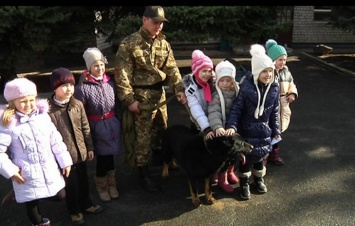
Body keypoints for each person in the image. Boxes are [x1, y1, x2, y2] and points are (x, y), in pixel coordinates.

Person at [114, 5, 187, 194]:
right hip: (141, 100)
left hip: (159, 97)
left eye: (161, 23)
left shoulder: (163, 43)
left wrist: (179, 89)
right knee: (142, 139)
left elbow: (171, 69)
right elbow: (122, 75)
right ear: (144, 19)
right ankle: (144, 174)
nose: (159, 27)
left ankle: (161, 164)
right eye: (155, 22)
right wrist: (129, 100)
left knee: (161, 133)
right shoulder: (130, 44)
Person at [0, 78, 73, 226]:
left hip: (47, 167)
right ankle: (39, 223)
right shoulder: (8, 123)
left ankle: (17, 194)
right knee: (31, 202)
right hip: (25, 172)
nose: (28, 105)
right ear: (13, 102)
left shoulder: (42, 117)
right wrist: (11, 171)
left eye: (31, 100)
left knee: (60, 195)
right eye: (23, 101)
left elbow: (55, 140)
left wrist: (64, 160)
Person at [225, 44, 281, 200]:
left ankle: (258, 179)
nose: (268, 75)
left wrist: (276, 129)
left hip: (264, 130)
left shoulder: (274, 88)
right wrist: (232, 126)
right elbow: (236, 109)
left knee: (261, 156)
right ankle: (244, 182)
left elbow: (275, 111)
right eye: (264, 71)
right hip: (247, 130)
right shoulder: (246, 88)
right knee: (246, 159)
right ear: (256, 72)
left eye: (270, 71)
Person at [48, 67, 103, 225]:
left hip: (81, 151)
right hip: (64, 157)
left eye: (71, 85)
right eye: (64, 86)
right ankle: (74, 210)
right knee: (71, 185)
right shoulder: (49, 111)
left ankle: (86, 203)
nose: (68, 89)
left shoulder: (77, 104)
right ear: (55, 88)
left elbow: (85, 127)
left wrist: (90, 147)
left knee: (83, 180)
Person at [75, 47, 122, 202]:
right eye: (95, 65)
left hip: (111, 125)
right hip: (96, 127)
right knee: (102, 159)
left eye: (101, 64)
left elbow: (117, 104)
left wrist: (118, 120)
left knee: (111, 157)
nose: (100, 68)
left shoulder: (110, 82)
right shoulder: (83, 87)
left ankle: (112, 184)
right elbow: (80, 111)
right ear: (89, 67)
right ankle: (101, 186)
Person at [207, 59, 240, 193]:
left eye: (228, 81)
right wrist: (217, 127)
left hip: (233, 128)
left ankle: (231, 171)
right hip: (220, 129)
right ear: (217, 81)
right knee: (222, 155)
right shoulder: (216, 95)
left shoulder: (237, 93)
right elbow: (213, 112)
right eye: (222, 80)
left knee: (233, 153)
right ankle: (221, 177)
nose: (225, 84)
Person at [265, 39, 298, 165]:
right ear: (273, 60)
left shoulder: (286, 72)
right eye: (280, 60)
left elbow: (291, 84)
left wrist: (292, 93)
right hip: (270, 106)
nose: (283, 62)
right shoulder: (268, 72)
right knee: (268, 129)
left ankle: (275, 153)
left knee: (278, 131)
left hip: (283, 104)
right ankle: (265, 154)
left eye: (284, 60)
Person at [183, 49, 214, 139]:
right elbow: (196, 109)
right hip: (198, 122)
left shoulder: (214, 83)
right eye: (204, 71)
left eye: (209, 71)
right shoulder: (191, 89)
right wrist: (206, 128)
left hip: (213, 118)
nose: (207, 74)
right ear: (196, 71)